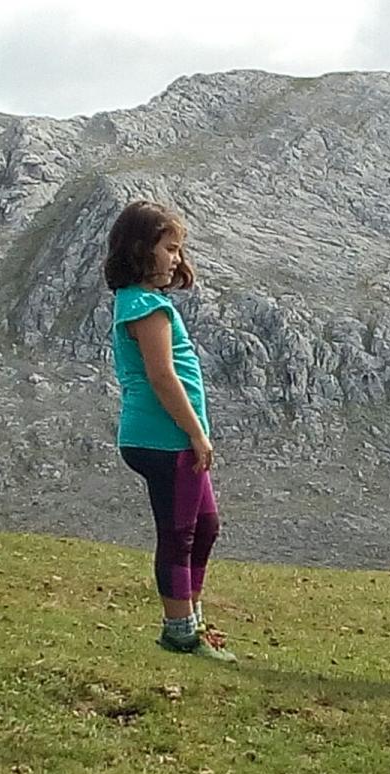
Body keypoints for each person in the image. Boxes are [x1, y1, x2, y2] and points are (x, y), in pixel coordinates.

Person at [104, 200, 234, 662]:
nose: (176, 258)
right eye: (169, 248)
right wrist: (196, 434)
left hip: (168, 437)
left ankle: (192, 621)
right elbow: (163, 376)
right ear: (143, 250)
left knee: (206, 526)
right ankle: (180, 631)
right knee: (178, 533)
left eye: (179, 249)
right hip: (164, 437)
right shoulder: (144, 307)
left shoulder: (145, 302)